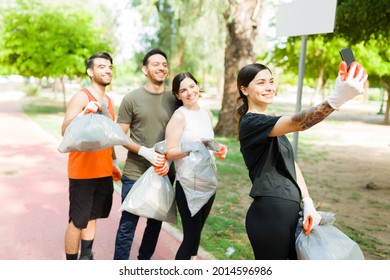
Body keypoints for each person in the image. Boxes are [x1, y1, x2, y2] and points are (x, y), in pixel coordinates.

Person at [235, 60, 368, 260]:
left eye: (271, 81)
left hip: (291, 213)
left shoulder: (271, 123)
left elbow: (292, 164)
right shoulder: (251, 122)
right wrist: (335, 100)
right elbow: (299, 122)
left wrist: (308, 203)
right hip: (269, 215)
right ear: (244, 89)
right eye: (261, 83)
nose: (269, 87)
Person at [113, 48, 176, 260]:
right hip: (135, 172)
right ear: (145, 69)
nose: (161, 68)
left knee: (155, 224)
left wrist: (169, 159)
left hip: (164, 172)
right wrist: (144, 151)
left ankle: (143, 263)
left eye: (164, 65)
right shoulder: (131, 98)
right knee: (127, 225)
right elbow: (120, 135)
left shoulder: (175, 100)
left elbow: (182, 133)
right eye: (156, 64)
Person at [159, 72, 227, 260]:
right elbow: (170, 151)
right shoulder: (179, 116)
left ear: (198, 86)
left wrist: (218, 148)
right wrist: (192, 147)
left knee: (196, 235)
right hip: (188, 185)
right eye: (183, 90)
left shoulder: (207, 113)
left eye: (192, 86)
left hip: (209, 182)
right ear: (177, 95)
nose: (189, 92)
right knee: (190, 238)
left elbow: (207, 143)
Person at [61, 51, 121, 260]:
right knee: (78, 220)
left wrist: (113, 162)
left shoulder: (110, 102)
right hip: (82, 172)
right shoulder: (82, 96)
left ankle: (86, 257)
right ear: (90, 71)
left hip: (103, 170)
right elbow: (64, 129)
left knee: (93, 216)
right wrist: (82, 113)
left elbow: (109, 136)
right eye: (101, 66)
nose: (107, 70)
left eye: (110, 67)